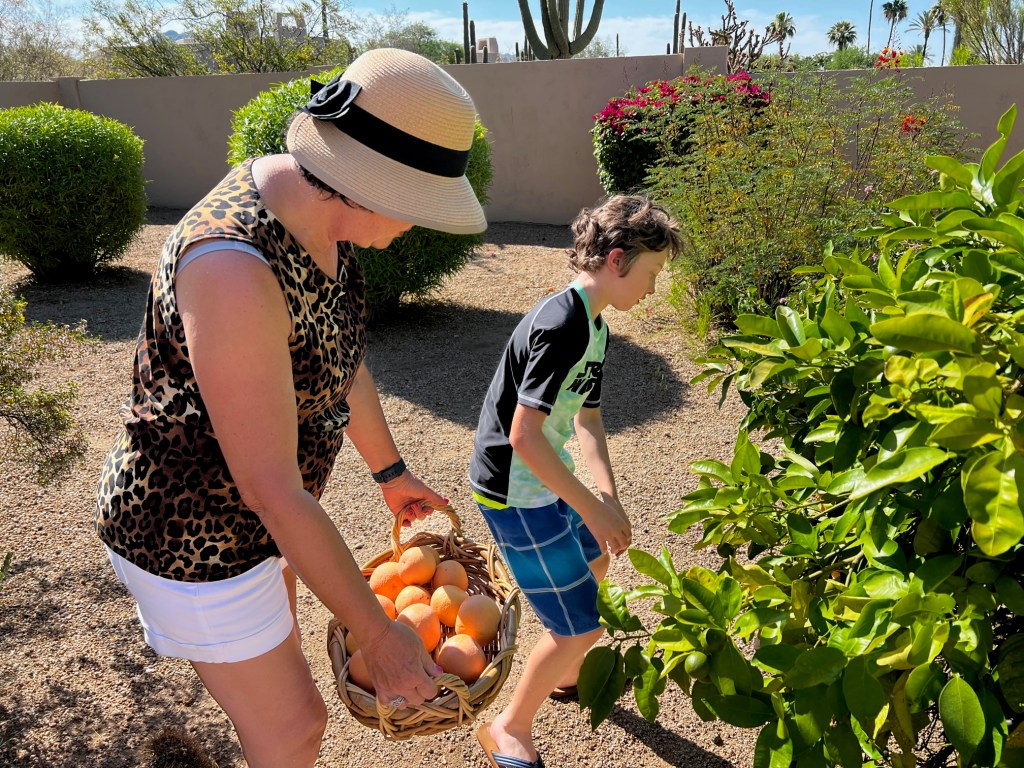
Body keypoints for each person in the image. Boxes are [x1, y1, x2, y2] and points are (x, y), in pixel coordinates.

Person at [95, 48, 486, 768]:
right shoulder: (231, 268)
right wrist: (378, 634)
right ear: (359, 184)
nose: (418, 225)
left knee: (283, 681)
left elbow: (341, 358)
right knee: (296, 727)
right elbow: (269, 488)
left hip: (266, 521)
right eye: (416, 206)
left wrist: (391, 473)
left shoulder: (317, 216)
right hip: (194, 537)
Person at [469, 195, 682, 768]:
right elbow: (523, 437)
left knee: (597, 557)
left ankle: (562, 672)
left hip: (546, 478)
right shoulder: (560, 324)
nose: (654, 288)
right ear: (617, 260)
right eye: (652, 272)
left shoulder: (596, 329)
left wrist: (607, 496)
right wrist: (590, 507)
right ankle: (509, 728)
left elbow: (588, 420)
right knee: (581, 629)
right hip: (515, 492)